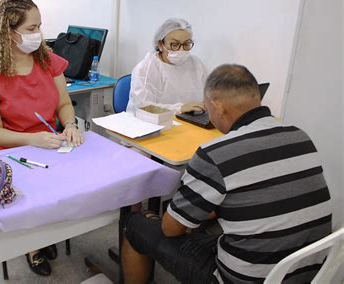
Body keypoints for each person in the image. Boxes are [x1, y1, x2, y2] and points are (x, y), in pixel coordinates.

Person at [122, 64, 332, 283]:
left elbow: (170, 229)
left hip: (243, 278)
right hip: (309, 273)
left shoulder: (214, 154)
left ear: (218, 107)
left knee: (137, 224)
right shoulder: (300, 136)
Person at [0, 0, 83, 277]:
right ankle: (32, 247)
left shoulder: (48, 62)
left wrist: (69, 124)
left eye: (39, 27)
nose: (39, 35)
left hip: (50, 145)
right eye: (32, 29)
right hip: (10, 152)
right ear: (8, 32)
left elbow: (64, 104)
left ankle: (47, 234)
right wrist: (32, 139)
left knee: (66, 189)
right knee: (28, 200)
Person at [126, 18, 208, 115]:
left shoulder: (196, 64)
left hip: (189, 122)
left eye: (186, 44)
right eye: (175, 44)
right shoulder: (145, 69)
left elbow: (209, 95)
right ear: (160, 45)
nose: (181, 50)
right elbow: (144, 107)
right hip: (149, 124)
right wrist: (179, 108)